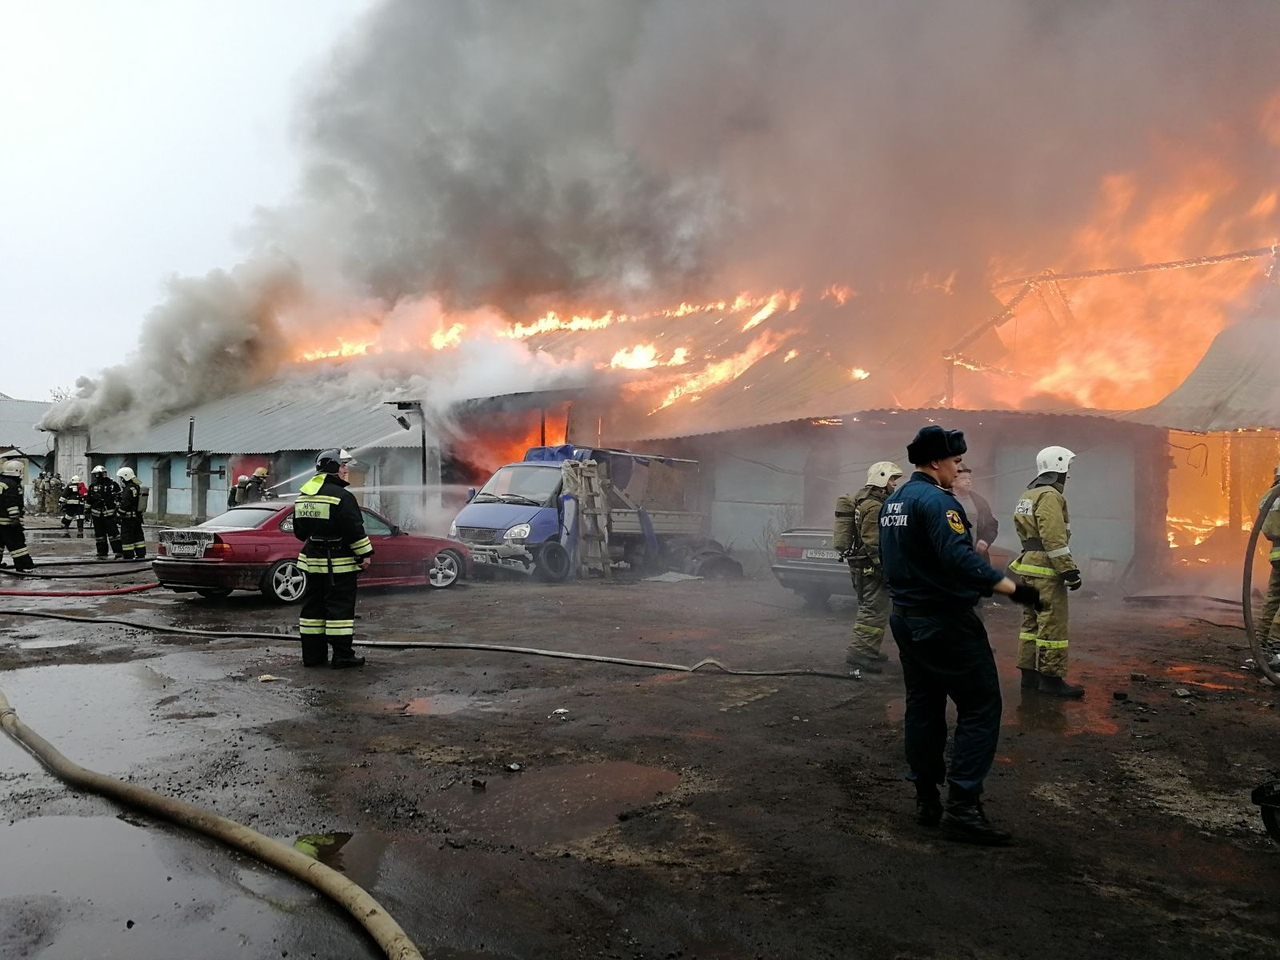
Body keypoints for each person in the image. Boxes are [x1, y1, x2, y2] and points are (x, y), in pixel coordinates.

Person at [879, 425, 1042, 845]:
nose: (958, 470)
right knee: (981, 704)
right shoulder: (938, 502)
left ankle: (926, 796)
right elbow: (957, 558)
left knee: (924, 705)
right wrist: (1011, 588)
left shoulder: (894, 500)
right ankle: (964, 806)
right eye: (954, 462)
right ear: (935, 462)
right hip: (946, 621)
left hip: (906, 618)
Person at [1009, 446, 1085, 698]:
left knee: (1031, 622)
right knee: (1051, 624)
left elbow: (1024, 531)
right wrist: (1068, 571)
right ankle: (1051, 679)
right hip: (1045, 569)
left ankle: (1029, 676)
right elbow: (1053, 537)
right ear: (1060, 466)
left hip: (1028, 564)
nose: (1068, 474)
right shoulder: (1050, 496)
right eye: (1068, 468)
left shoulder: (1027, 494)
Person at [293, 449, 374, 669]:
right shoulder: (343, 496)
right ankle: (343, 657)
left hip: (311, 562)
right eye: (342, 466)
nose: (346, 469)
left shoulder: (304, 495)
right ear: (333, 468)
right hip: (338, 563)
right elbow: (354, 529)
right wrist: (364, 554)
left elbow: (300, 533)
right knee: (339, 610)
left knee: (312, 610)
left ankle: (312, 657)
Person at [834, 460, 904, 672]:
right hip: (871, 568)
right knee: (872, 611)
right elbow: (873, 541)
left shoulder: (867, 501)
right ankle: (859, 654)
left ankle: (869, 650)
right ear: (881, 478)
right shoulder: (874, 507)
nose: (895, 484)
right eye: (892, 479)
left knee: (875, 610)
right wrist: (885, 568)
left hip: (864, 567)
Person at [950, 465, 998, 561]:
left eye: (969, 478)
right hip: (950, 558)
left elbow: (991, 525)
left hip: (974, 557)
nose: (968, 481)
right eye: (963, 478)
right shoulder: (943, 499)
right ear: (953, 481)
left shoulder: (979, 501)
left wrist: (985, 540)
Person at [0, 460, 35, 571]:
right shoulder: (12, 484)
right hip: (7, 522)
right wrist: (15, 518)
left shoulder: (1, 482)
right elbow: (12, 502)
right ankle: (24, 566)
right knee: (17, 544)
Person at [1260, 461, 1280, 651]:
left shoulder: (1269, 496)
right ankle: (1277, 647)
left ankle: (1261, 644)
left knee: (1273, 599)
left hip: (1277, 555)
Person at [86, 465, 125, 559]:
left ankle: (118, 551)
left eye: (97, 474)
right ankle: (101, 551)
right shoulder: (93, 486)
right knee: (99, 535)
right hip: (96, 515)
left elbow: (119, 499)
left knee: (114, 535)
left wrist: (118, 513)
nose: (96, 476)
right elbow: (88, 500)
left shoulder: (113, 485)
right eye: (94, 474)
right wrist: (87, 511)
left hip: (110, 515)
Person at [116, 467, 147, 560]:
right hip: (137, 518)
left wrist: (118, 515)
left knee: (126, 537)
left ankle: (128, 555)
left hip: (128, 518)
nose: (121, 480)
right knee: (138, 536)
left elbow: (125, 504)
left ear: (125, 477)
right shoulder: (136, 487)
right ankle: (141, 553)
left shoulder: (127, 489)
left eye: (121, 478)